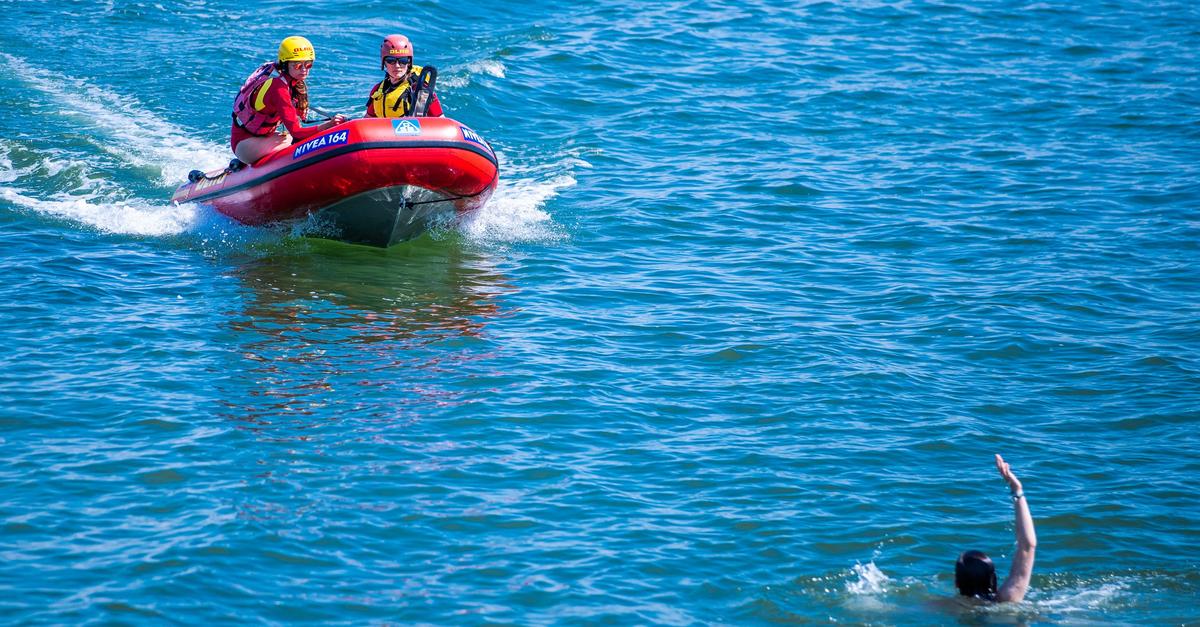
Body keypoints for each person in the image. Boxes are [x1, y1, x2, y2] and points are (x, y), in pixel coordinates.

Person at [231, 36, 346, 164]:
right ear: (285, 65)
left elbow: (297, 121)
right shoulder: (278, 88)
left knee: (290, 137)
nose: (304, 70)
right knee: (291, 140)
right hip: (245, 143)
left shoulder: (289, 80)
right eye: (297, 65)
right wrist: (329, 125)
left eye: (308, 65)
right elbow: (297, 133)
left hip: (264, 137)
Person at [954, 454, 1037, 603]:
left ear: (956, 583)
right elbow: (1027, 546)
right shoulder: (1008, 597)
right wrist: (1017, 491)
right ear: (993, 578)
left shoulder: (946, 607)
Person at [364, 34, 444, 118]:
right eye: (391, 61)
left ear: (409, 62)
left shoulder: (420, 89)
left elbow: (442, 121)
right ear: (384, 62)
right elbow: (367, 120)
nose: (397, 65)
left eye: (403, 61)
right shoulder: (377, 90)